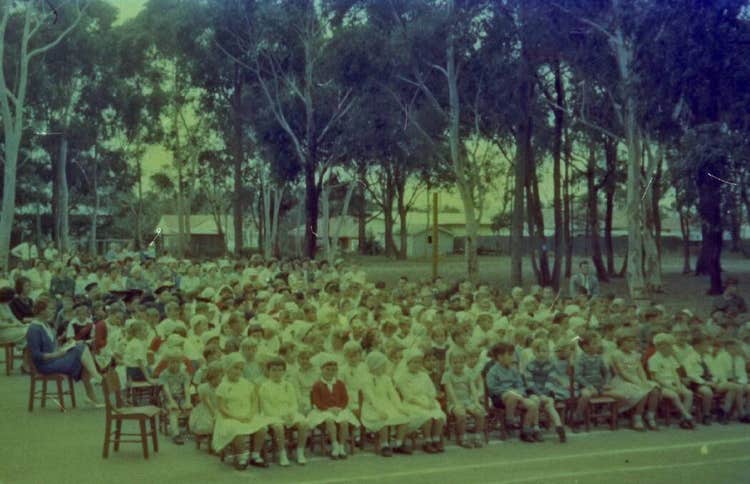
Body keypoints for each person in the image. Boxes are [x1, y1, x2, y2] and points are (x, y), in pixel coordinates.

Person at [25, 299, 103, 406]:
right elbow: (36, 355)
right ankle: (95, 380)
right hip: (45, 365)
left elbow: (52, 346)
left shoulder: (46, 325)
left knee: (81, 349)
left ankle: (93, 391)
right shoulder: (34, 328)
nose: (53, 311)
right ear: (41, 311)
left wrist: (64, 348)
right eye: (51, 309)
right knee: (82, 349)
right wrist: (56, 354)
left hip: (54, 359)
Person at [213, 353, 272, 469]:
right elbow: (222, 408)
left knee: (262, 428)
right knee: (237, 430)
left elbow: (254, 401)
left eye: (240, 369)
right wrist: (237, 417)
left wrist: (250, 414)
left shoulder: (247, 383)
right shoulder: (223, 386)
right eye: (235, 368)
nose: (238, 371)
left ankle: (255, 454)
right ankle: (241, 457)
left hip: (247, 414)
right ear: (227, 368)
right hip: (229, 416)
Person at [258, 358, 309, 466]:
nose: (277, 373)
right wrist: (281, 416)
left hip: (289, 414)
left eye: (280, 370)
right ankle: (282, 453)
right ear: (268, 371)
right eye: (274, 370)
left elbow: (293, 403)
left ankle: (300, 452)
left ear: (284, 372)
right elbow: (266, 407)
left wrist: (290, 413)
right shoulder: (264, 387)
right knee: (278, 426)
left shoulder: (288, 385)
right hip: (272, 415)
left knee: (303, 424)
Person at [360, 351, 412, 457]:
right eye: (382, 365)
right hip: (372, 407)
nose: (385, 368)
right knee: (383, 419)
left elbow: (393, 395)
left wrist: (400, 407)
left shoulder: (386, 378)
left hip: (387, 405)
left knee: (404, 418)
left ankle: (398, 443)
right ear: (375, 366)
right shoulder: (366, 379)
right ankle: (384, 445)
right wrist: (379, 410)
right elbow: (371, 397)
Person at [485, 342, 540, 443]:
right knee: (511, 396)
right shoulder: (493, 371)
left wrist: (519, 393)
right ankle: (509, 420)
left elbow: (520, 385)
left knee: (532, 405)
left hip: (517, 396)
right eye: (509, 355)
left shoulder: (513, 370)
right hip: (501, 397)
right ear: (500, 357)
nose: (512, 358)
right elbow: (492, 388)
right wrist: (510, 392)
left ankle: (526, 431)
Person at [394, 348, 447, 453]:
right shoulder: (402, 378)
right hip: (412, 404)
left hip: (427, 401)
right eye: (414, 362)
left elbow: (431, 391)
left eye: (418, 362)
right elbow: (408, 397)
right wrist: (423, 404)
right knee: (427, 418)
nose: (416, 365)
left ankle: (435, 440)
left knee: (439, 416)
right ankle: (427, 442)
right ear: (408, 363)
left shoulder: (424, 375)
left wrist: (431, 401)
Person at [607, 328, 659, 431]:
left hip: (636, 379)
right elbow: (622, 372)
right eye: (628, 341)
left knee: (654, 390)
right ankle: (637, 417)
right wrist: (638, 383)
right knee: (643, 391)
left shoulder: (635, 354)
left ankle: (650, 415)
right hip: (622, 381)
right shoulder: (616, 354)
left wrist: (643, 381)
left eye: (633, 342)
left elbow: (640, 370)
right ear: (621, 342)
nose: (632, 344)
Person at [309, 353, 359, 460]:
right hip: (322, 410)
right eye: (327, 369)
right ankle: (334, 445)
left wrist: (339, 408)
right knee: (329, 421)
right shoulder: (317, 385)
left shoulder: (340, 383)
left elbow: (345, 399)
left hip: (338, 409)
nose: (330, 372)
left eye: (333, 370)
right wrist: (328, 409)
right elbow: (317, 402)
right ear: (322, 370)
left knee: (344, 422)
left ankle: (341, 446)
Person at [646, 333, 695, 429]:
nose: (671, 348)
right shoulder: (654, 359)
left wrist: (679, 385)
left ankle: (683, 419)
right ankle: (686, 415)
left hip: (673, 383)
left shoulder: (671, 358)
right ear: (660, 347)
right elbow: (655, 377)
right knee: (674, 395)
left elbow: (675, 374)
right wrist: (671, 387)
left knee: (688, 393)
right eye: (669, 346)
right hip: (662, 385)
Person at [442, 351, 486, 448]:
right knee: (461, 414)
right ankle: (462, 437)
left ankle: (477, 436)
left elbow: (473, 389)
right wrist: (456, 403)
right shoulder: (447, 375)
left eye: (461, 362)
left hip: (467, 401)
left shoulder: (468, 374)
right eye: (455, 362)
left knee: (480, 412)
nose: (458, 365)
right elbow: (450, 391)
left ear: (464, 363)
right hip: (453, 402)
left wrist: (476, 402)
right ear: (450, 363)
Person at [159, 349, 193, 445]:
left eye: (177, 362)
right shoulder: (164, 374)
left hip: (181, 397)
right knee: (173, 411)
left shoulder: (184, 374)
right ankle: (176, 434)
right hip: (168, 397)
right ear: (167, 362)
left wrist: (188, 401)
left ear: (181, 362)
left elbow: (187, 389)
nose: (175, 364)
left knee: (190, 409)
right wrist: (172, 401)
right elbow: (166, 389)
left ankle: (193, 429)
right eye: (172, 362)